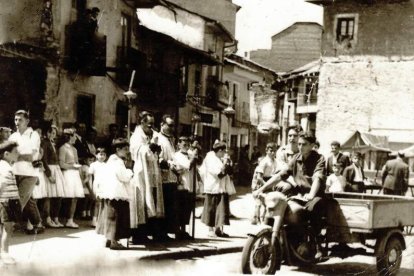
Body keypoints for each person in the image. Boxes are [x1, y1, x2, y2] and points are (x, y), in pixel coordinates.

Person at [254, 132, 327, 258]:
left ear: (312, 145)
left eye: (304, 144)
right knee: (285, 209)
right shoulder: (296, 158)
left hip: (315, 195)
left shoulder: (319, 159)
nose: (300, 147)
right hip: (299, 194)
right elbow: (281, 175)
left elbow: (317, 179)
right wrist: (261, 189)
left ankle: (317, 245)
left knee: (312, 210)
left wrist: (311, 194)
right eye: (299, 144)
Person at [129, 111, 164, 243]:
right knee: (142, 202)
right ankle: (139, 234)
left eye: (153, 125)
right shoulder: (136, 137)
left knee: (152, 201)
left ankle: (151, 232)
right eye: (149, 125)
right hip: (141, 174)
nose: (151, 127)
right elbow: (136, 153)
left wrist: (155, 150)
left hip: (151, 173)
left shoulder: (150, 135)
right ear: (141, 123)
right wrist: (149, 148)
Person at [9, 110, 44, 234]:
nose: (17, 122)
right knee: (29, 200)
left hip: (30, 173)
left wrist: (16, 156)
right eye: (16, 119)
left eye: (20, 120)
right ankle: (38, 223)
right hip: (14, 172)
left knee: (20, 199)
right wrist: (19, 156)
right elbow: (8, 155)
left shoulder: (33, 135)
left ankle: (8, 225)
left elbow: (31, 156)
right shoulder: (13, 136)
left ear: (27, 121)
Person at [96, 138, 133, 250]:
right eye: (125, 149)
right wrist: (130, 170)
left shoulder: (110, 161)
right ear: (118, 149)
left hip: (109, 192)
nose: (127, 151)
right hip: (117, 192)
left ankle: (108, 239)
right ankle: (114, 241)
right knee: (116, 217)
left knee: (109, 216)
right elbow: (124, 177)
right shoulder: (118, 162)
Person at [200, 141, 233, 238]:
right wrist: (226, 165)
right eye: (223, 151)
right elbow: (219, 174)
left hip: (221, 188)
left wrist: (228, 164)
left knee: (221, 209)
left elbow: (228, 172)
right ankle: (210, 230)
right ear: (219, 151)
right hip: (213, 188)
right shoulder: (211, 159)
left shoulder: (219, 159)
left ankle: (218, 229)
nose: (225, 154)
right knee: (211, 209)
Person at [156, 114, 180, 240]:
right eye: (169, 125)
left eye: (173, 126)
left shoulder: (171, 139)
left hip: (172, 176)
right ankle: (160, 233)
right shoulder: (158, 138)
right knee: (162, 205)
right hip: (163, 177)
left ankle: (166, 231)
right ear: (162, 124)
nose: (171, 128)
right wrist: (169, 164)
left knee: (170, 206)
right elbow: (158, 158)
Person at [38, 124, 65, 228]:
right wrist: (49, 174)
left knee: (58, 195)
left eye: (54, 133)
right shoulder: (44, 142)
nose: (53, 135)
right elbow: (43, 159)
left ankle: (55, 218)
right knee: (48, 196)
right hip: (49, 169)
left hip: (56, 169)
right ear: (47, 133)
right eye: (51, 133)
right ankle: (48, 219)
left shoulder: (52, 143)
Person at [0, 141, 21, 265]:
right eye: (16, 152)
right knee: (8, 228)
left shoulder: (3, 165)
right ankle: (5, 254)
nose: (18, 154)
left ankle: (2, 254)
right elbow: (2, 183)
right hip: (7, 201)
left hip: (4, 200)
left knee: (3, 228)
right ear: (7, 154)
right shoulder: (6, 167)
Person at [59, 128, 85, 228]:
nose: (75, 138)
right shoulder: (63, 148)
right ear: (69, 137)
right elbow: (61, 164)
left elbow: (77, 162)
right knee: (67, 198)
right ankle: (62, 219)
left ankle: (70, 220)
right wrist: (73, 167)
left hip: (75, 175)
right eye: (74, 136)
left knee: (75, 198)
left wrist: (79, 171)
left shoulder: (74, 149)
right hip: (67, 174)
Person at [173, 136, 196, 239]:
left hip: (190, 184)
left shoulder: (190, 154)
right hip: (182, 184)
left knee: (188, 209)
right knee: (180, 209)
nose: (186, 146)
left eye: (187, 144)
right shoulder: (176, 155)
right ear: (179, 144)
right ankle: (178, 231)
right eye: (184, 144)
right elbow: (187, 165)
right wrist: (192, 158)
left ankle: (184, 230)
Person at [251, 143, 278, 225]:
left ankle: (265, 219)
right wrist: (266, 184)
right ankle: (257, 219)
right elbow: (259, 177)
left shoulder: (275, 161)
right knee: (258, 202)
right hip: (261, 182)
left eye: (274, 151)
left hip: (269, 181)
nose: (273, 153)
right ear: (267, 151)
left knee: (268, 201)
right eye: (271, 151)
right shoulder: (264, 161)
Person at [88, 147, 107, 227]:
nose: (102, 156)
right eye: (100, 154)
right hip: (97, 184)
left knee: (104, 203)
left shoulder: (106, 165)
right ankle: (94, 220)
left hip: (105, 184)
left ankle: (101, 220)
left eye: (104, 155)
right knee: (97, 203)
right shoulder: (93, 165)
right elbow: (89, 176)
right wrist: (90, 188)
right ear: (96, 155)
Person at [80, 153, 95, 220]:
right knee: (85, 200)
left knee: (90, 200)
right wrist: (89, 189)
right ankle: (84, 214)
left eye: (92, 161)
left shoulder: (90, 167)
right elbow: (86, 178)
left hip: (90, 185)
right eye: (90, 160)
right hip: (85, 186)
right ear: (85, 161)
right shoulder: (85, 167)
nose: (91, 162)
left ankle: (88, 213)